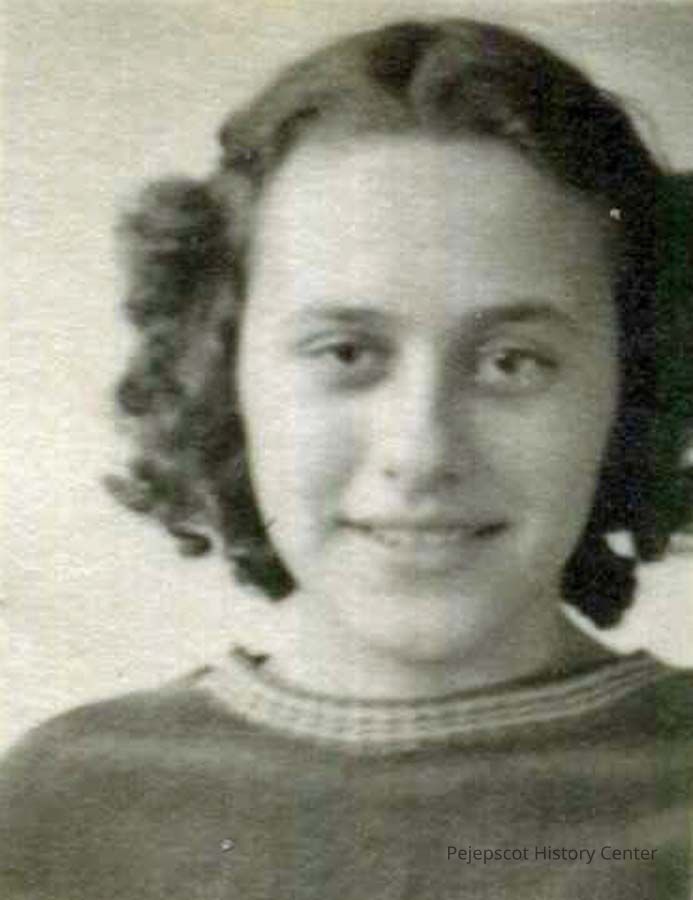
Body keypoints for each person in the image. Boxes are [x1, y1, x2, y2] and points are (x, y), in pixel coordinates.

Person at [1, 17, 692, 900]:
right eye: (346, 352)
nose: (421, 452)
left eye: (511, 362)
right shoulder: (59, 811)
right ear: (223, 372)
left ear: (632, 384)